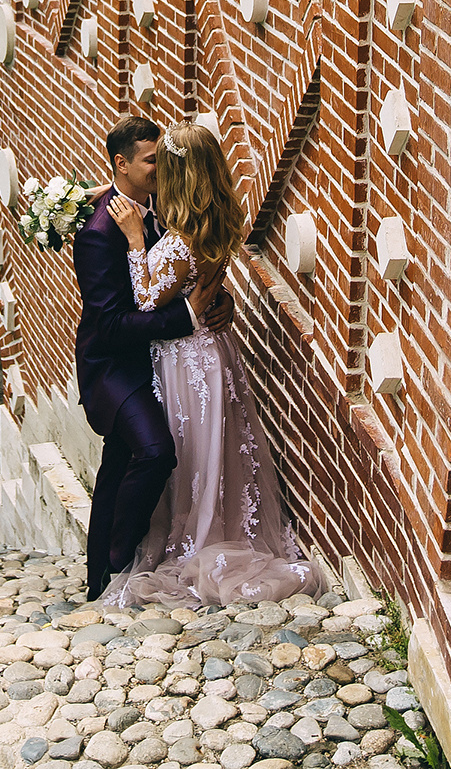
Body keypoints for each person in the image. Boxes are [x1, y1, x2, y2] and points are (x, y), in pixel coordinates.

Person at [98, 119, 319, 608]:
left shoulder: (179, 238)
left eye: (165, 167)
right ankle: (213, 528)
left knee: (192, 458)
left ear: (180, 175)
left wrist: (136, 240)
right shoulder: (218, 219)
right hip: (213, 355)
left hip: (184, 361)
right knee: (214, 453)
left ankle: (194, 542)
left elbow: (149, 299)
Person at [75, 116, 235, 604]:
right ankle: (118, 564)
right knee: (152, 451)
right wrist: (189, 315)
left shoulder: (164, 208)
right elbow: (113, 326)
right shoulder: (101, 231)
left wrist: (218, 301)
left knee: (121, 462)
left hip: (166, 358)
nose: (162, 168)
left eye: (165, 159)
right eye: (152, 161)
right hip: (115, 366)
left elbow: (187, 265)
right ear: (123, 165)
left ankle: (107, 570)